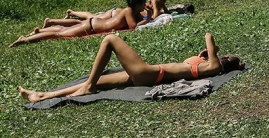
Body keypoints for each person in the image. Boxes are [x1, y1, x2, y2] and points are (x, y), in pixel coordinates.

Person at [18, 33, 244, 103]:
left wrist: (212, 49)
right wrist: (202, 56)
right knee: (95, 82)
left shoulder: (214, 69)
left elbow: (208, 35)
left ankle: (86, 88)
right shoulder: (208, 65)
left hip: (150, 73)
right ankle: (43, 95)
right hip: (149, 75)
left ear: (223, 62)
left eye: (222, 57)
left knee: (109, 39)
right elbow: (193, 63)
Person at [9, 0, 149, 47]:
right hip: (91, 27)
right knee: (59, 35)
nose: (144, 6)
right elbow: (133, 28)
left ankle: (36, 33)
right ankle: (25, 40)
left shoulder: (128, 10)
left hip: (93, 24)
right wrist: (147, 19)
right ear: (137, 5)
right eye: (143, 4)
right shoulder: (129, 11)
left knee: (62, 30)